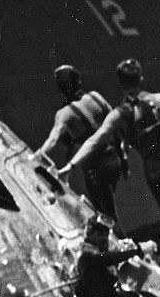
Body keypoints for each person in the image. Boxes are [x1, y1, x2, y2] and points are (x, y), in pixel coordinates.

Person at [68, 59, 160, 284]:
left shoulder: (120, 114)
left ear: (121, 83)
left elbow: (96, 140)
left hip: (153, 171)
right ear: (140, 77)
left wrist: (71, 166)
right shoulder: (158, 100)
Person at [37, 65, 122, 223]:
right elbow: (115, 124)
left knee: (106, 216)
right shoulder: (96, 97)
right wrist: (123, 157)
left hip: (95, 168)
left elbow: (53, 140)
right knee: (109, 209)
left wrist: (35, 157)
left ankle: (119, 237)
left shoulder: (64, 114)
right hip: (114, 160)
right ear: (79, 81)